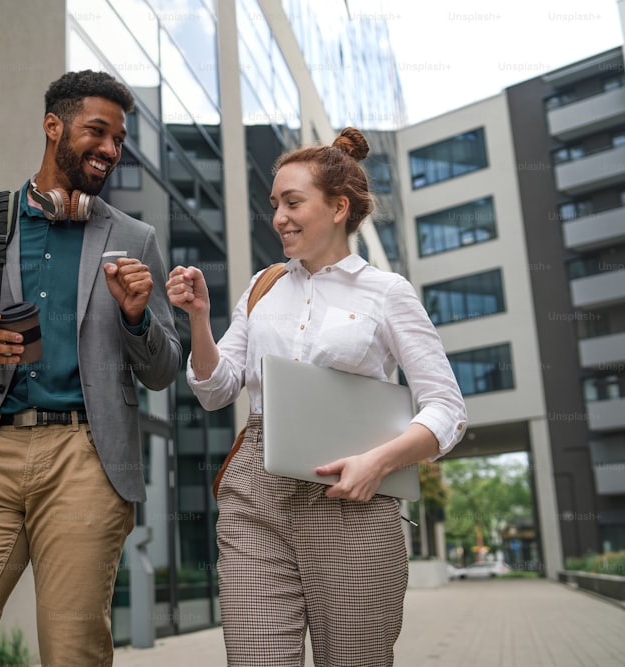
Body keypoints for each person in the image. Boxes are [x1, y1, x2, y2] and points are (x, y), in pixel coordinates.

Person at [0, 70, 182, 666]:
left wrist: (137, 319)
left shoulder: (135, 238)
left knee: (73, 653)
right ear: (54, 126)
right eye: (97, 132)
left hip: (88, 456)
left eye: (119, 139)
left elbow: (163, 371)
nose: (110, 149)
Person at [166, 128, 467, 666]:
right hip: (257, 494)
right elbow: (215, 390)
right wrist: (197, 321)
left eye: (292, 202)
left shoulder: (386, 293)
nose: (278, 216)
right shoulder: (263, 286)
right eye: (274, 204)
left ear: (338, 207)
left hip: (353, 499)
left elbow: (447, 408)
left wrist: (378, 463)